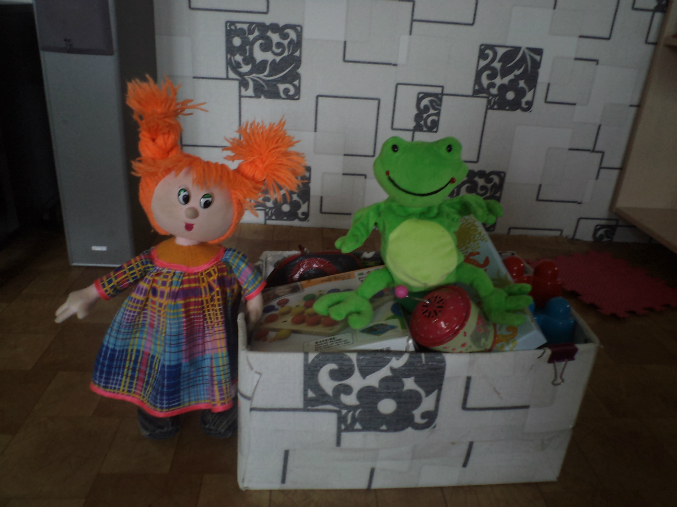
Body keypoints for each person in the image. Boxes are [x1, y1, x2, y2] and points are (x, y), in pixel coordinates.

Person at [55, 78, 305, 439]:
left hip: (212, 333)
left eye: (205, 203)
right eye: (184, 198)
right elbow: (125, 273)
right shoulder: (155, 256)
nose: (191, 211)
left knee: (215, 369)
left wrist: (254, 304)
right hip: (160, 331)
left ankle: (219, 410)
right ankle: (159, 413)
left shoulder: (227, 258)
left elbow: (251, 284)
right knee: (160, 368)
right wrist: (91, 292)